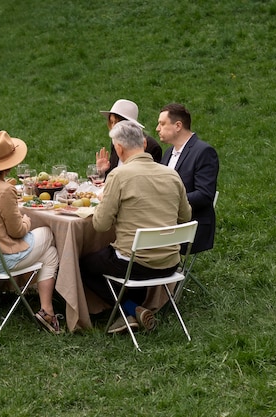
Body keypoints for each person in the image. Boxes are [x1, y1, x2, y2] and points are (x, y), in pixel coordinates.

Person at [80, 121, 192, 334]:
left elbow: (100, 225)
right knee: (127, 258)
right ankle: (133, 312)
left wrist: (107, 203)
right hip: (170, 262)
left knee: (83, 265)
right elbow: (186, 216)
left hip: (136, 264)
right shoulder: (171, 174)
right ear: (143, 142)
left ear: (119, 148)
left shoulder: (119, 176)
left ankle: (130, 308)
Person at [0, 130, 61, 334]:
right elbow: (17, 232)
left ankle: (47, 311)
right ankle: (50, 306)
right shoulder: (4, 190)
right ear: (9, 164)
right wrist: (26, 220)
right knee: (49, 234)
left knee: (49, 254)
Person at [156, 103, 219, 254]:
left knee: (135, 239)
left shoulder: (203, 152)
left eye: (162, 124)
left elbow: (204, 195)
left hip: (190, 226)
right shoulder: (169, 152)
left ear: (178, 126)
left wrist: (167, 201)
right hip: (165, 221)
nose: (158, 128)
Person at [95, 99, 162, 177]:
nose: (113, 127)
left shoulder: (152, 146)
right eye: (111, 122)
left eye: (117, 122)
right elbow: (112, 175)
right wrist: (103, 171)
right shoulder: (116, 141)